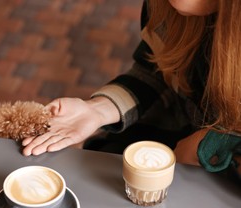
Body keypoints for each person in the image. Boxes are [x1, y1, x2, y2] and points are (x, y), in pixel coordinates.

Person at [22, 0, 241, 176]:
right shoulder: (166, 9)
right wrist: (98, 110)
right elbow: (157, 70)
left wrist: (210, 145)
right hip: (171, 146)